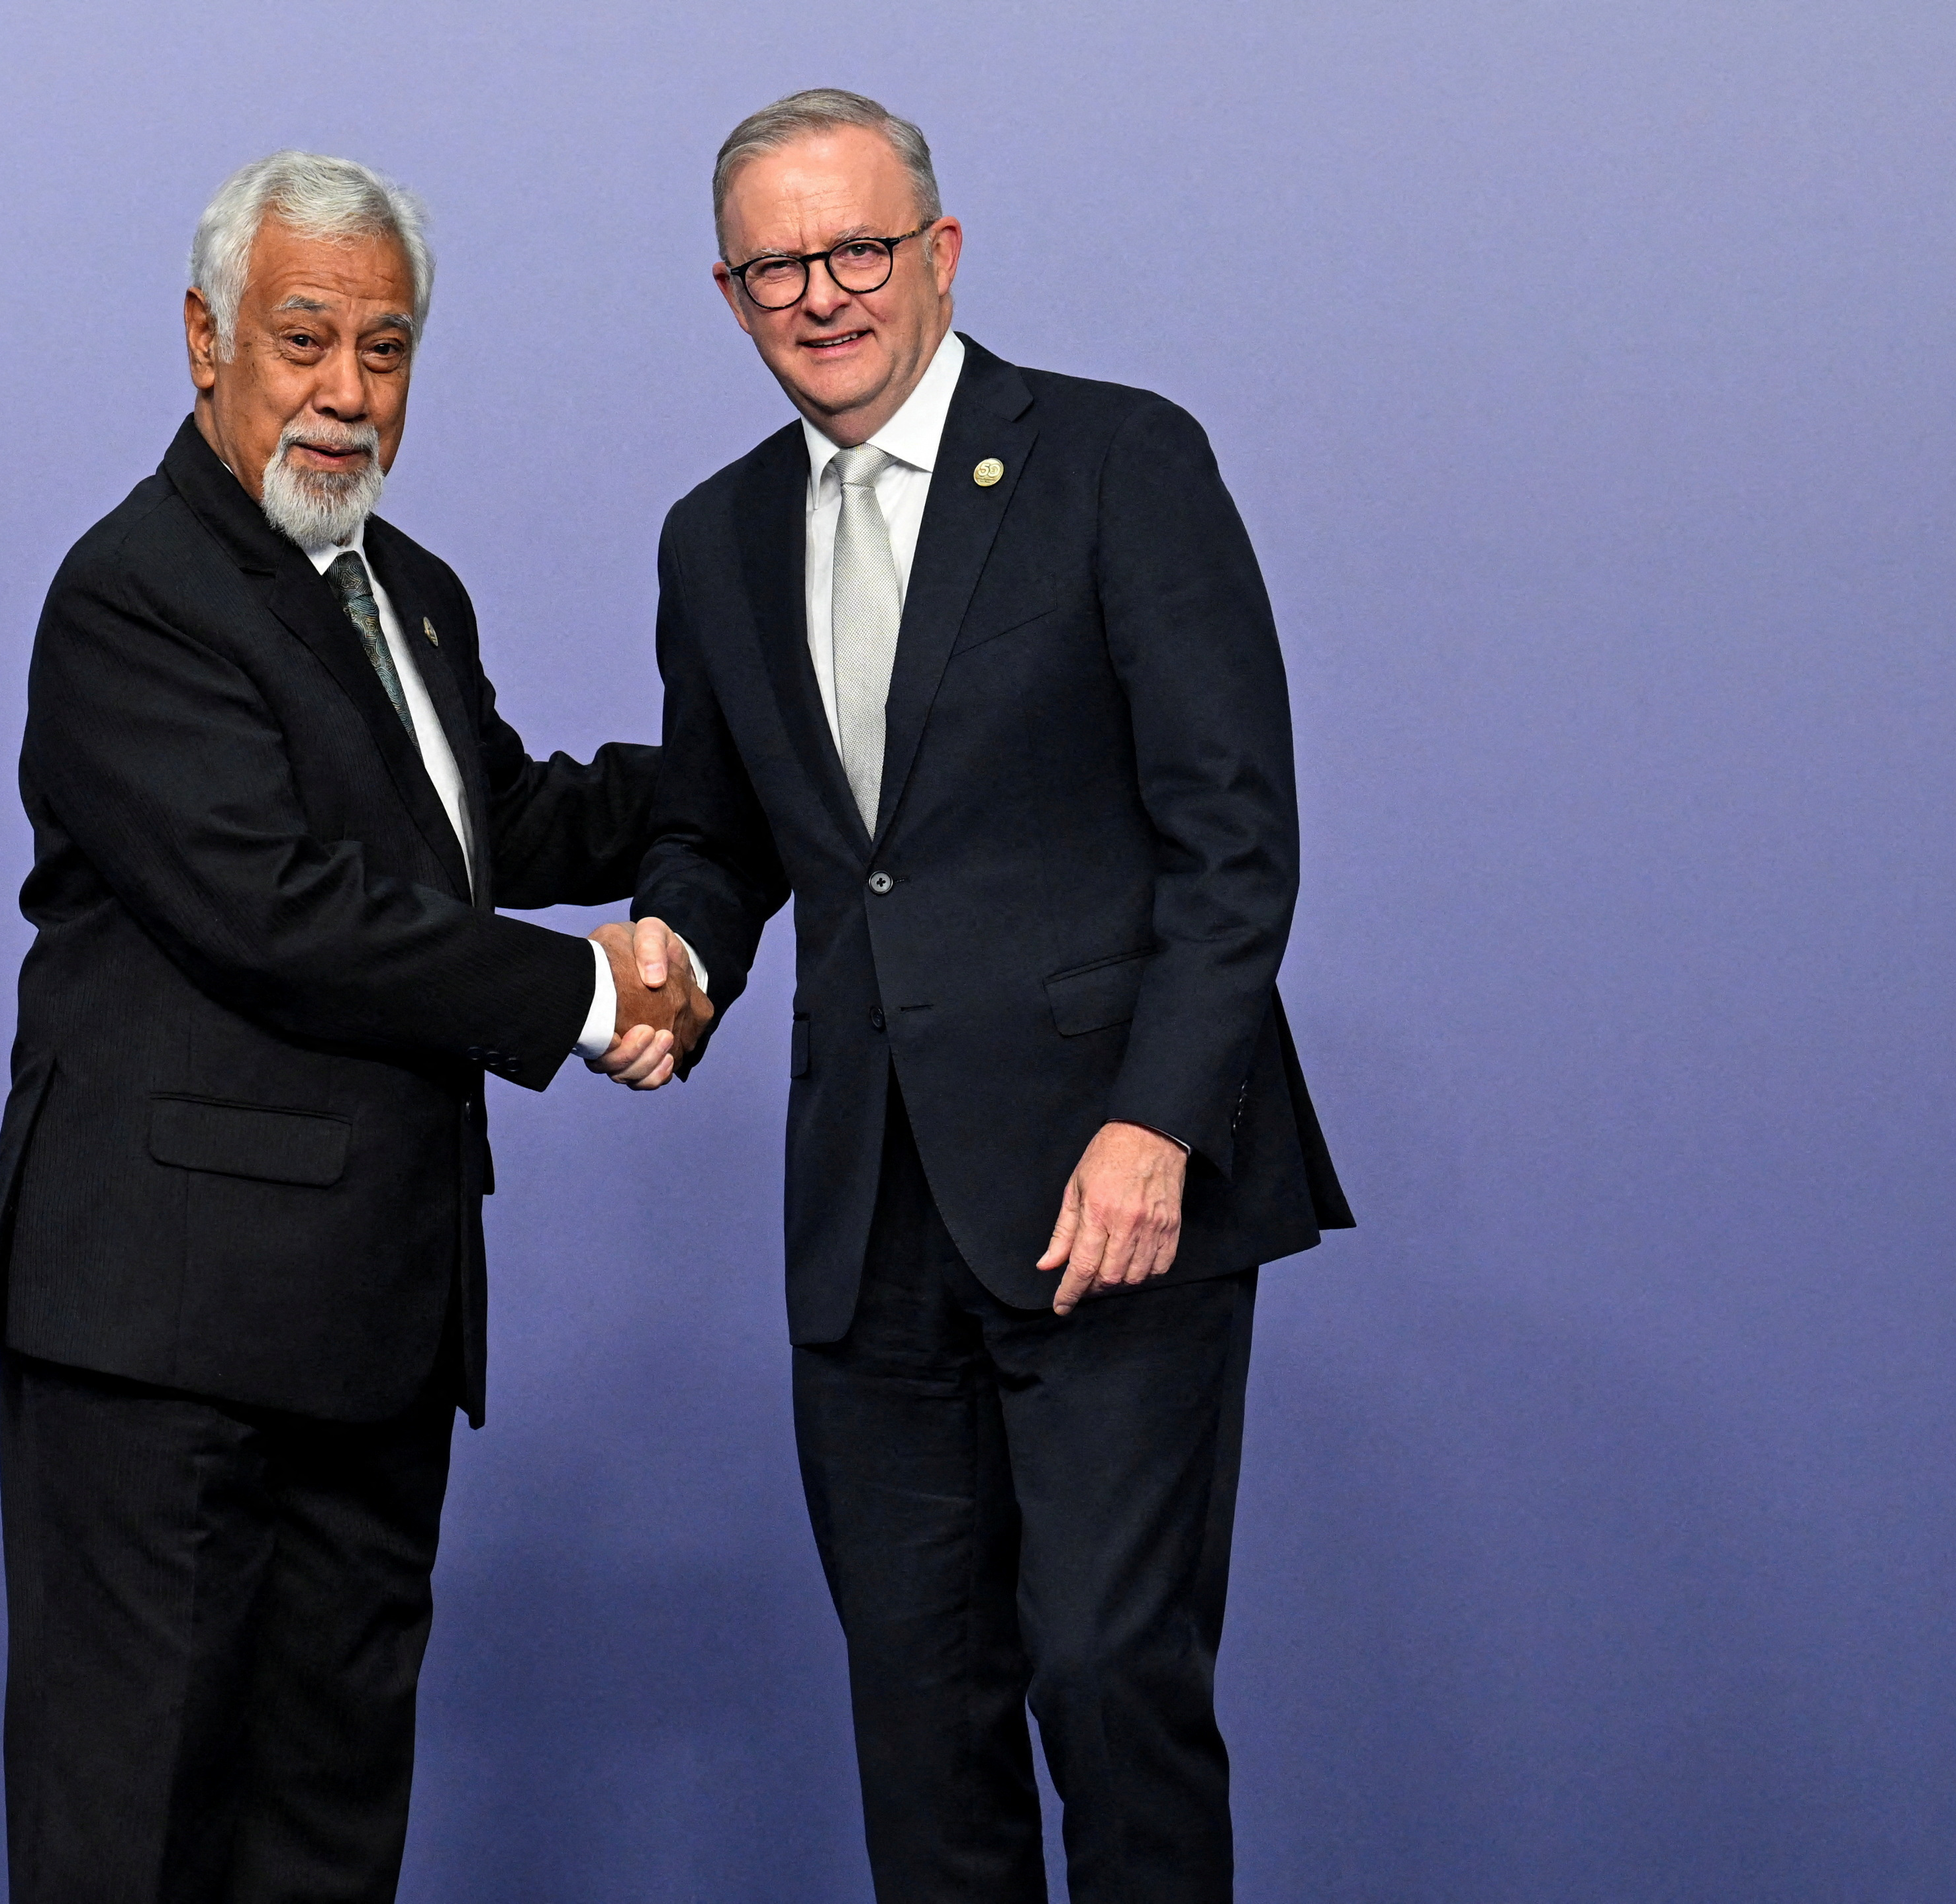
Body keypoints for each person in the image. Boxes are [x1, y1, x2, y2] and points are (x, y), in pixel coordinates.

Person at [618, 90, 1353, 1901]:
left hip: (1111, 1198)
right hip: (867, 1219)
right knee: (919, 1724)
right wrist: (679, 957)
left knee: (1113, 1686)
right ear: (728, 296)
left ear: (938, 255)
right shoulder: (712, 539)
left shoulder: (1118, 462)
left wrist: (1156, 1119)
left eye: (856, 247)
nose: (821, 293)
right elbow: (720, 833)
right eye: (775, 264)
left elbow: (1231, 834)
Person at [0, 150, 705, 1903]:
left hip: (371, 1327)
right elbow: (277, 909)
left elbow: (489, 825)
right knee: (135, 1836)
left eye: (386, 350)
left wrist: (754, 780)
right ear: (205, 340)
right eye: (306, 339)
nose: (346, 392)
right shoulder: (133, 590)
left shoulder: (406, 587)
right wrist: (593, 989)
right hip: (170, 1342)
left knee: (323, 1832)